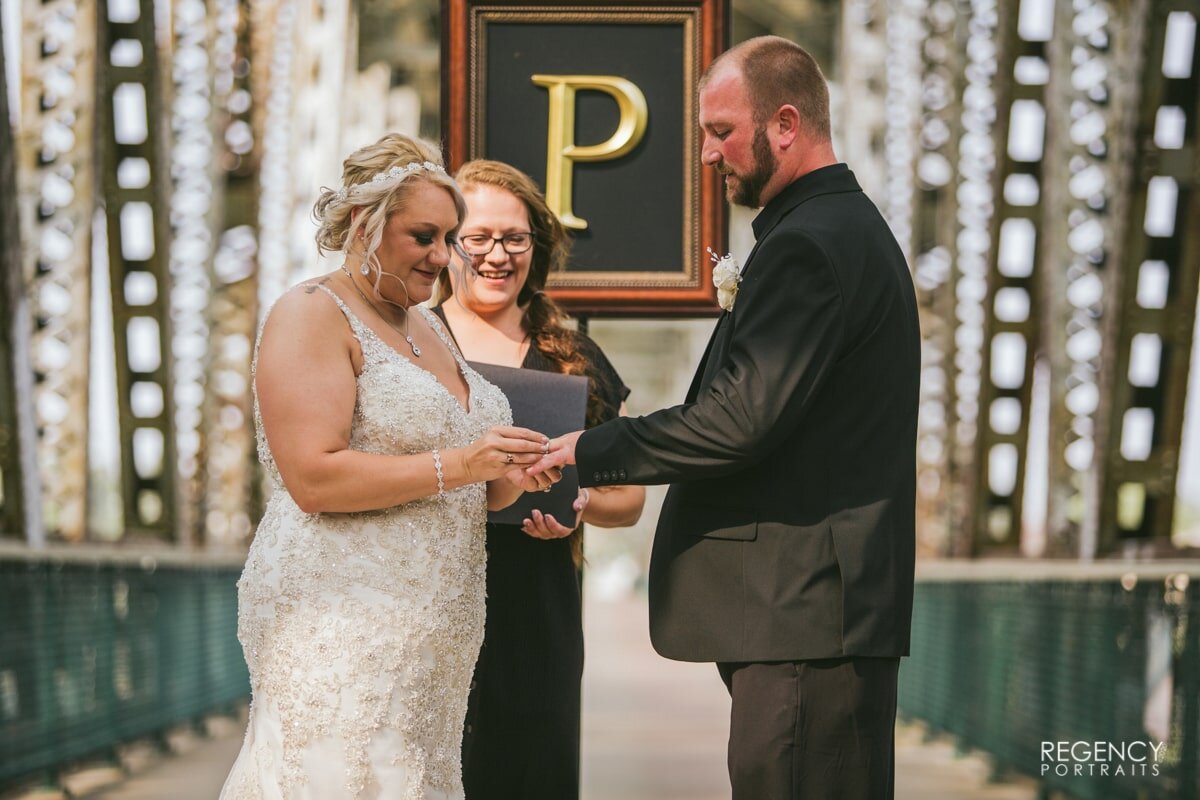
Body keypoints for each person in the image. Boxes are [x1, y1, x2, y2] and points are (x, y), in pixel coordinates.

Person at [532, 36, 920, 799]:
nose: (709, 155)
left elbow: (737, 420)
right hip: (811, 617)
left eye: (720, 132)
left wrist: (588, 449)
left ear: (784, 123)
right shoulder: (832, 230)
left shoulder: (811, 245)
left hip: (807, 616)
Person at [219, 133, 562, 800]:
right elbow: (313, 480)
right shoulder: (313, 313)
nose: (443, 256)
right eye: (424, 237)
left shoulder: (426, 326)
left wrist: (513, 477)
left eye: (449, 237)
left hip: (433, 636)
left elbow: (461, 485)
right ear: (362, 225)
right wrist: (465, 462)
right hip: (340, 618)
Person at [432, 159, 645, 800]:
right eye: (477, 238)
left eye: (514, 239)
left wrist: (583, 504)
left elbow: (629, 498)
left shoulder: (573, 355)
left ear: (536, 246)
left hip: (536, 608)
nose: (496, 255)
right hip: (428, 601)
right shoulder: (407, 345)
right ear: (448, 246)